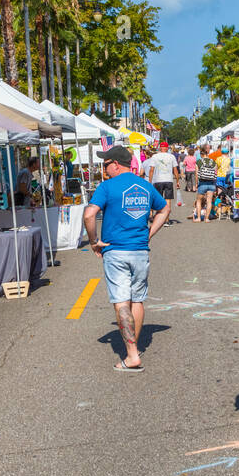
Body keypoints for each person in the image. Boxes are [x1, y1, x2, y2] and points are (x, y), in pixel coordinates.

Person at [83, 146, 170, 372]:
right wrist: (149, 234)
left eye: (105, 165)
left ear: (116, 164)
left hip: (115, 251)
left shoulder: (107, 187)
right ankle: (134, 347)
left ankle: (132, 355)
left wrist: (94, 241)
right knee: (137, 299)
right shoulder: (145, 186)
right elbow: (164, 209)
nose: (104, 171)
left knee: (122, 300)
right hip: (140, 251)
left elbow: (89, 214)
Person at [142, 142, 181, 221]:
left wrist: (149, 182)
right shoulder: (171, 156)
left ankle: (159, 219)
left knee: (159, 199)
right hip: (168, 180)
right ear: (167, 148)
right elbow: (175, 170)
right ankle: (167, 219)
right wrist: (177, 181)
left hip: (157, 180)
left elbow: (151, 170)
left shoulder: (155, 157)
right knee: (168, 200)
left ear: (160, 148)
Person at [193, 145, 218, 222]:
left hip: (202, 183)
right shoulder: (213, 162)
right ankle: (207, 218)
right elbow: (215, 173)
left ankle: (199, 218)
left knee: (199, 201)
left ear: (201, 154)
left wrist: (196, 184)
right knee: (209, 201)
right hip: (211, 183)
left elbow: (196, 174)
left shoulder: (199, 162)